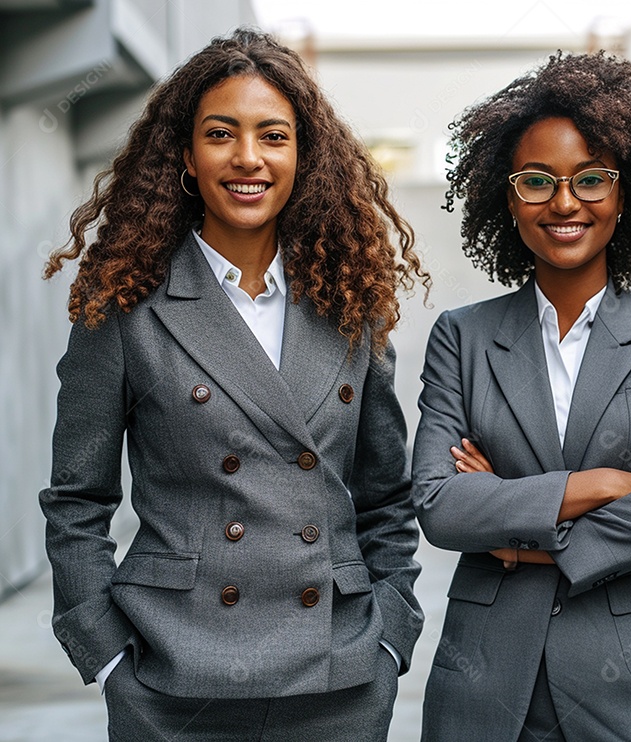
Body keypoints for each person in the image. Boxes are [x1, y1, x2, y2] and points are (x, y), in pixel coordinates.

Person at [39, 28, 428, 741]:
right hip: (174, 676)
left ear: (301, 156)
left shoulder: (351, 305)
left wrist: (390, 637)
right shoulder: (125, 303)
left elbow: (385, 499)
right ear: (187, 155)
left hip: (337, 680)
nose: (248, 158)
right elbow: (77, 501)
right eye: (222, 134)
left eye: (273, 136)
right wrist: (107, 655)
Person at [411, 51, 631, 741]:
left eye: (591, 179)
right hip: (487, 691)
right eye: (538, 181)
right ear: (507, 198)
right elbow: (439, 505)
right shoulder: (462, 337)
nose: (566, 202)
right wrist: (599, 483)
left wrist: (526, 544)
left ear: (624, 193)